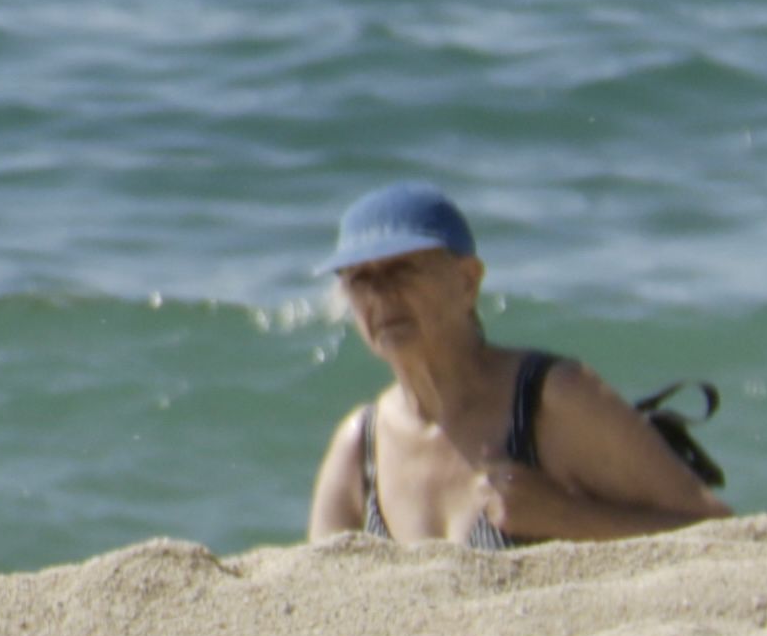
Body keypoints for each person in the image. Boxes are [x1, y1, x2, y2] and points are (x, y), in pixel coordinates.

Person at [299, 183, 723, 549]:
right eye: (360, 279)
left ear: (468, 281)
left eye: (402, 269)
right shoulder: (361, 446)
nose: (381, 297)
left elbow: (722, 533)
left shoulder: (551, 401)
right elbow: (318, 589)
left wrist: (569, 518)